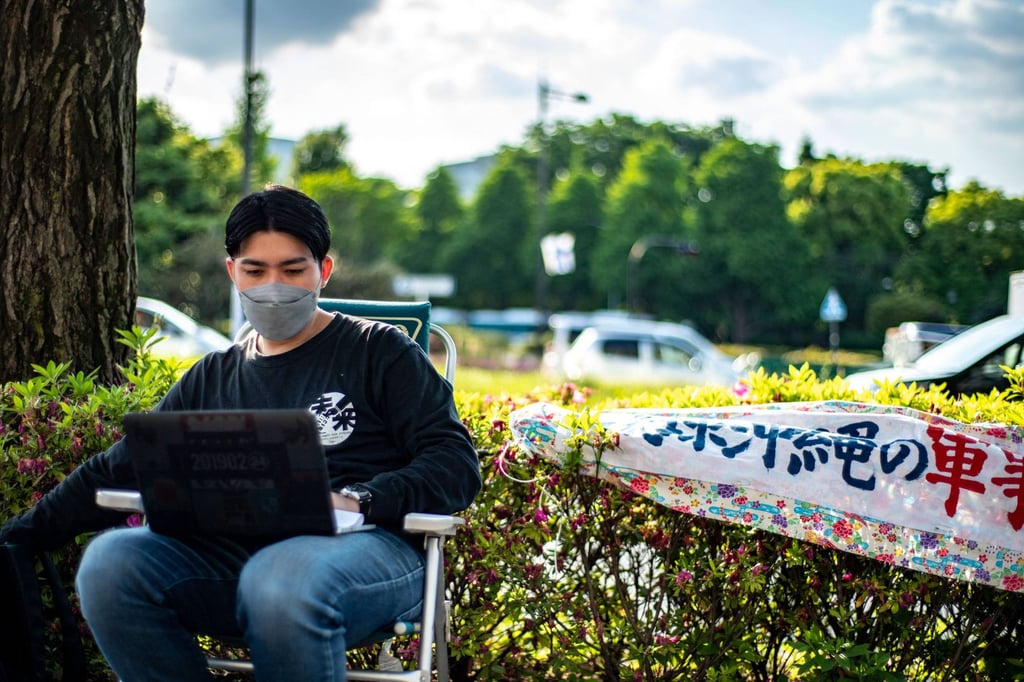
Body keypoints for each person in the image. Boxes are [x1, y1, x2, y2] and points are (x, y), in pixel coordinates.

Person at [0, 185, 482, 681]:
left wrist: (358, 499)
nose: (274, 285)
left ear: (324, 270)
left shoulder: (378, 351)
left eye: (293, 270)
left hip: (367, 555)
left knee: (280, 576)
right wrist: (21, 534)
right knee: (110, 563)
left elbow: (455, 463)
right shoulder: (213, 376)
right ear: (233, 272)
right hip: (235, 557)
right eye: (255, 270)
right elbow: (123, 464)